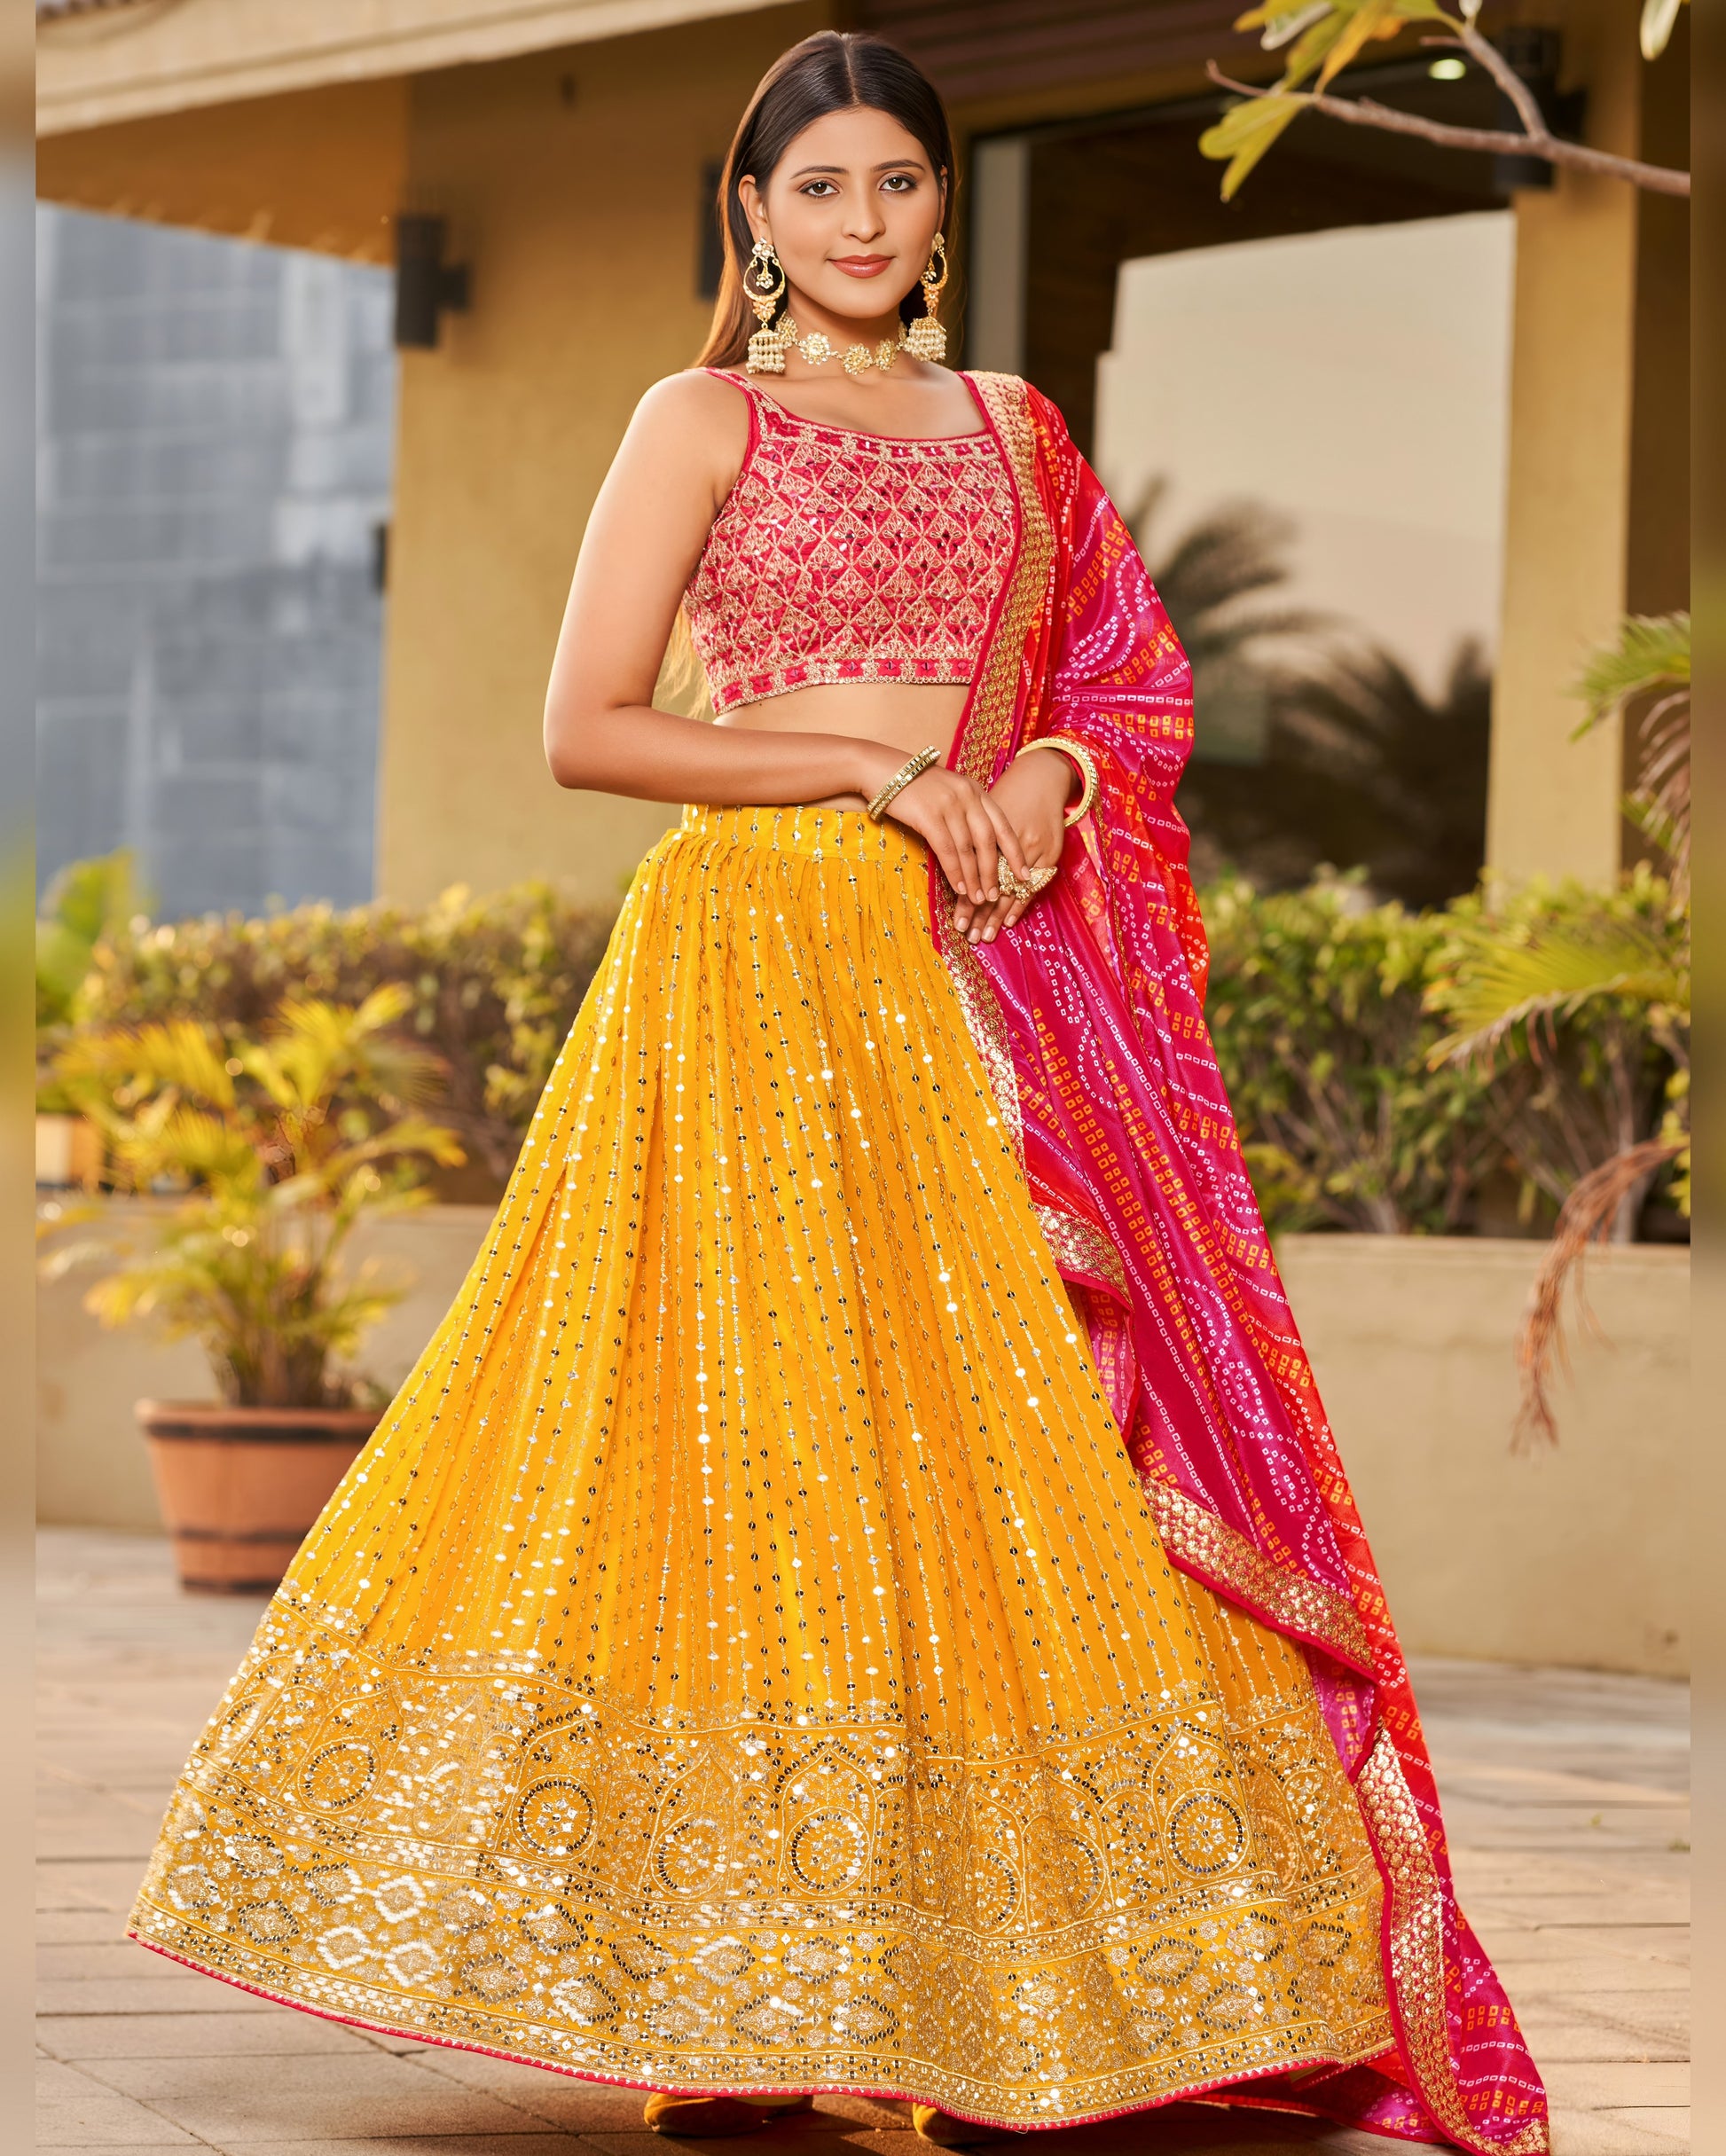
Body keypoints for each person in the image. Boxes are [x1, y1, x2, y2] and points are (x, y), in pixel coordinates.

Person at [129, 30, 1549, 2155]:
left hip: (981, 980)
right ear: (753, 214)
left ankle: (1039, 2006)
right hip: (754, 976)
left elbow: (1130, 679)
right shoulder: (697, 415)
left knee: (1010, 1458)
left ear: (933, 206)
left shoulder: (1014, 428)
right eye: (819, 190)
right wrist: (881, 769)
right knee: (758, 1455)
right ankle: (751, 2001)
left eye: (896, 182)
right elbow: (591, 726)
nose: (861, 221)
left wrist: (1043, 777)